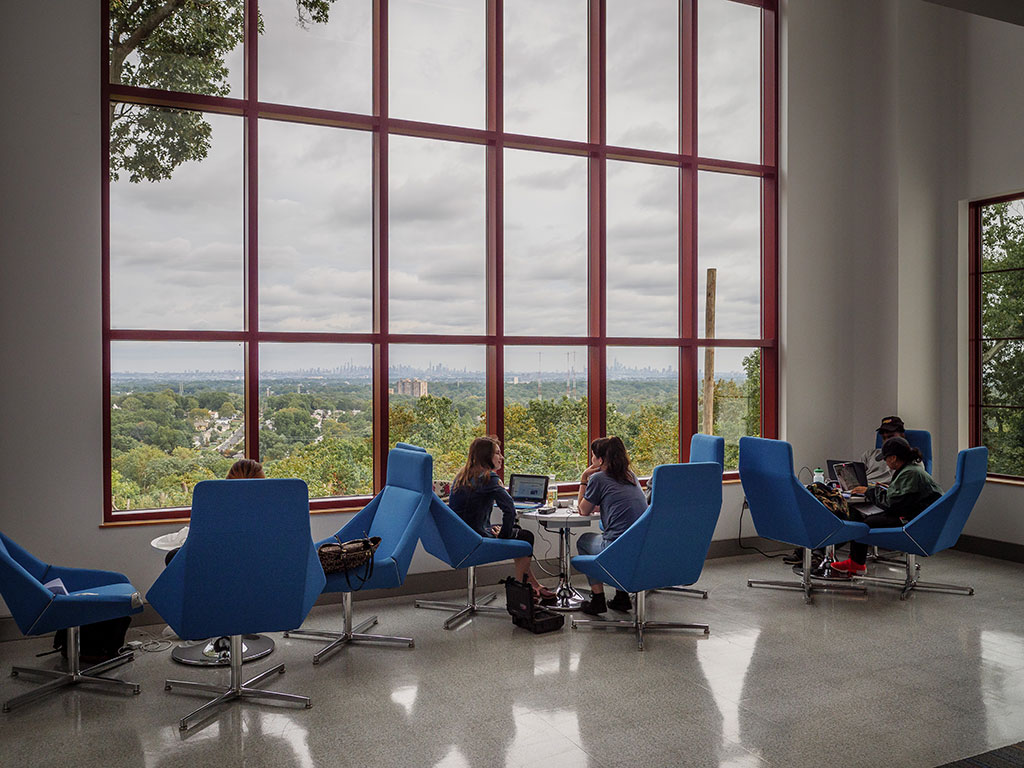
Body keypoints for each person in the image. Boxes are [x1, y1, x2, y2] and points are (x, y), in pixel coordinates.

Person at [448, 436, 555, 602]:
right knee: (526, 537)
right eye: (497, 453)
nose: (501, 457)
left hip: (460, 536)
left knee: (517, 532)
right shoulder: (489, 478)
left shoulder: (462, 476)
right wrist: (503, 535)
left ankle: (533, 585)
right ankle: (522, 591)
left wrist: (499, 531)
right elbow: (510, 510)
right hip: (476, 539)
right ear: (486, 457)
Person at [830, 436, 943, 575]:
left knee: (863, 523)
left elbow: (891, 503)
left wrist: (869, 491)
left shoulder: (909, 473)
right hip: (918, 516)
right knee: (860, 515)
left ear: (894, 458)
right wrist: (886, 489)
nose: (885, 461)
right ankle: (855, 562)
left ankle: (855, 563)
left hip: (914, 522)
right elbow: (902, 497)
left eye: (886, 458)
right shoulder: (911, 469)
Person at [575, 437, 648, 615]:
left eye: (593, 456)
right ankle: (621, 597)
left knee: (584, 541)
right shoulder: (631, 476)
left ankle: (597, 599)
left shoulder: (598, 478)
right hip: (642, 546)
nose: (592, 460)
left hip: (616, 547)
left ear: (600, 460)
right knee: (611, 532)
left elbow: (583, 510)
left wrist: (584, 478)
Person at [164, 458, 265, 565]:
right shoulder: (272, 515)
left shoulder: (212, 514)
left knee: (172, 556)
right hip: (262, 570)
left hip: (216, 571)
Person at [861, 415, 907, 484]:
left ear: (902, 436)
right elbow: (857, 478)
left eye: (890, 437)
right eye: (883, 438)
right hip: (860, 490)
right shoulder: (869, 455)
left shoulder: (911, 460)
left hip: (884, 492)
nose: (886, 441)